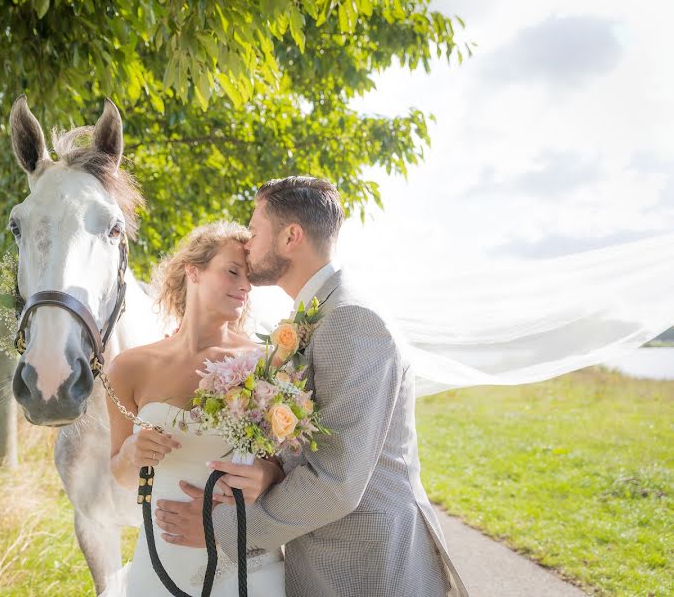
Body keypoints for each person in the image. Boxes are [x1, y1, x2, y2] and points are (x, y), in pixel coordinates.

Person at [155, 176, 469, 597]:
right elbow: (312, 441)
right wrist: (272, 468)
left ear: (291, 236)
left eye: (255, 227)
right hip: (327, 558)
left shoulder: (350, 319)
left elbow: (337, 480)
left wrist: (222, 529)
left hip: (364, 568)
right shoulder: (318, 313)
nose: (247, 243)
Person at [99, 221, 287, 596]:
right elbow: (119, 474)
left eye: (249, 279)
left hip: (243, 558)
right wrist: (133, 453)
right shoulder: (129, 367)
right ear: (193, 271)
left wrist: (266, 474)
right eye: (232, 271)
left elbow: (284, 470)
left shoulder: (264, 363)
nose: (244, 286)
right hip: (159, 562)